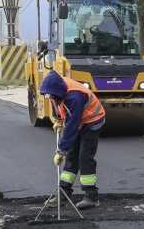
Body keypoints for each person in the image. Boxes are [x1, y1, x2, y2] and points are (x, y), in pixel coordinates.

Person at [40, 71, 106, 210]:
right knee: (72, 157)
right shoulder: (55, 87)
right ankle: (63, 195)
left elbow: (72, 126)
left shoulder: (75, 97)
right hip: (79, 120)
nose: (51, 98)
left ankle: (91, 197)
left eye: (53, 96)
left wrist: (61, 150)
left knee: (84, 158)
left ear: (59, 91)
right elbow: (56, 104)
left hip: (93, 121)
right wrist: (57, 118)